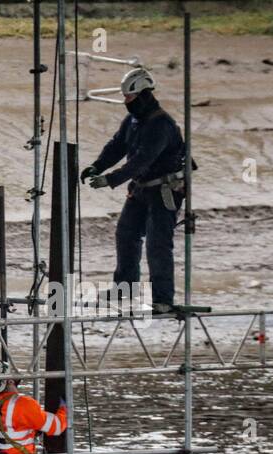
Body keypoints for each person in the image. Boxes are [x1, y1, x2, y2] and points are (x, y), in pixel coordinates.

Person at [80, 67, 187, 314]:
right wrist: (97, 165)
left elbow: (142, 160)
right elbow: (117, 146)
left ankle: (163, 298)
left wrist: (110, 180)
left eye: (130, 97)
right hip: (140, 189)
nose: (126, 102)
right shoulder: (133, 121)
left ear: (144, 95)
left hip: (164, 191)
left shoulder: (162, 125)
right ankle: (125, 287)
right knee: (126, 234)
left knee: (157, 244)